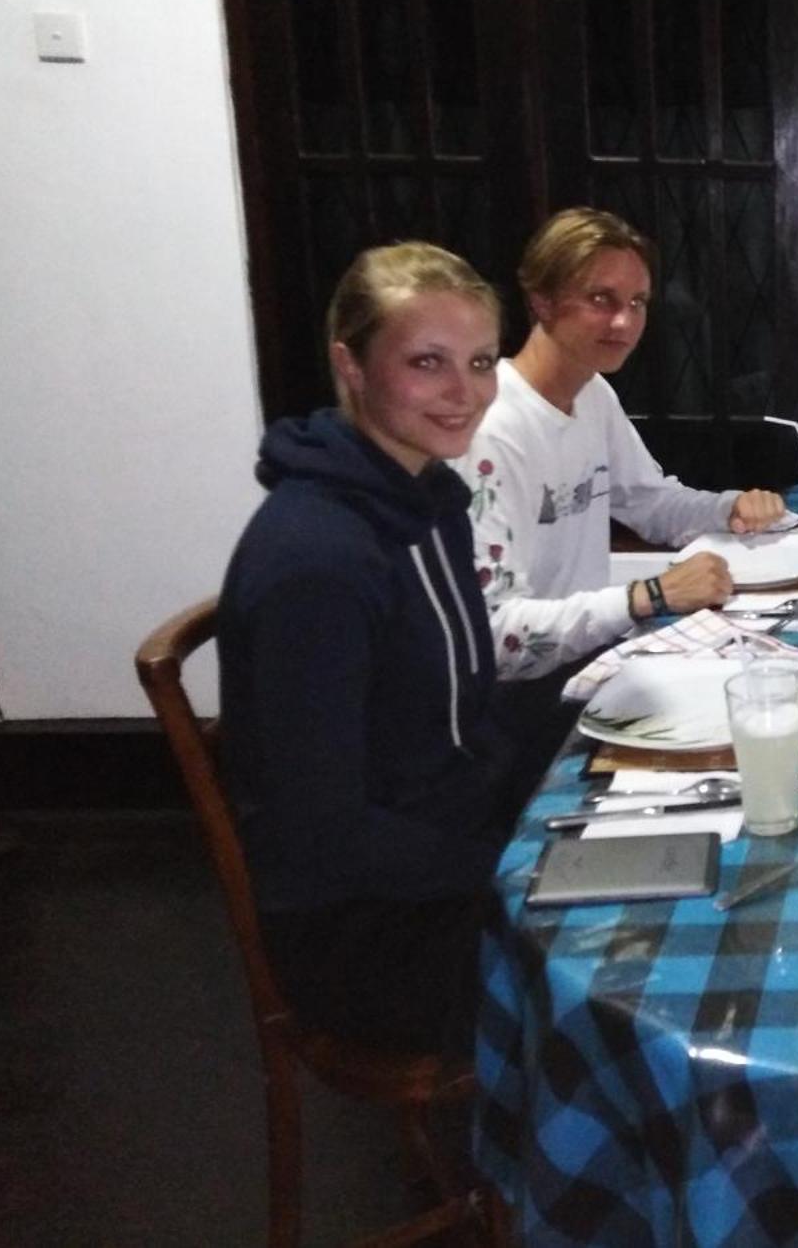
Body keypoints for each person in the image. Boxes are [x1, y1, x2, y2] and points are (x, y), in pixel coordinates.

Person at [219, 243, 531, 1058]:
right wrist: (513, 866)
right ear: (350, 365)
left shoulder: (427, 496)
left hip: (446, 848)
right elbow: (324, 831)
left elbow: (462, 712)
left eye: (480, 361)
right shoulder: (316, 560)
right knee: (630, 969)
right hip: (363, 933)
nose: (464, 392)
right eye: (426, 362)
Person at [461, 208, 786, 680]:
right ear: (542, 301)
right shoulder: (492, 429)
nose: (624, 322)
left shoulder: (593, 394)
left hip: (592, 662)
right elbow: (496, 636)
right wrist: (650, 595)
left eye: (637, 302)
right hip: (517, 703)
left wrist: (731, 506)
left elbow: (650, 503)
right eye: (601, 299)